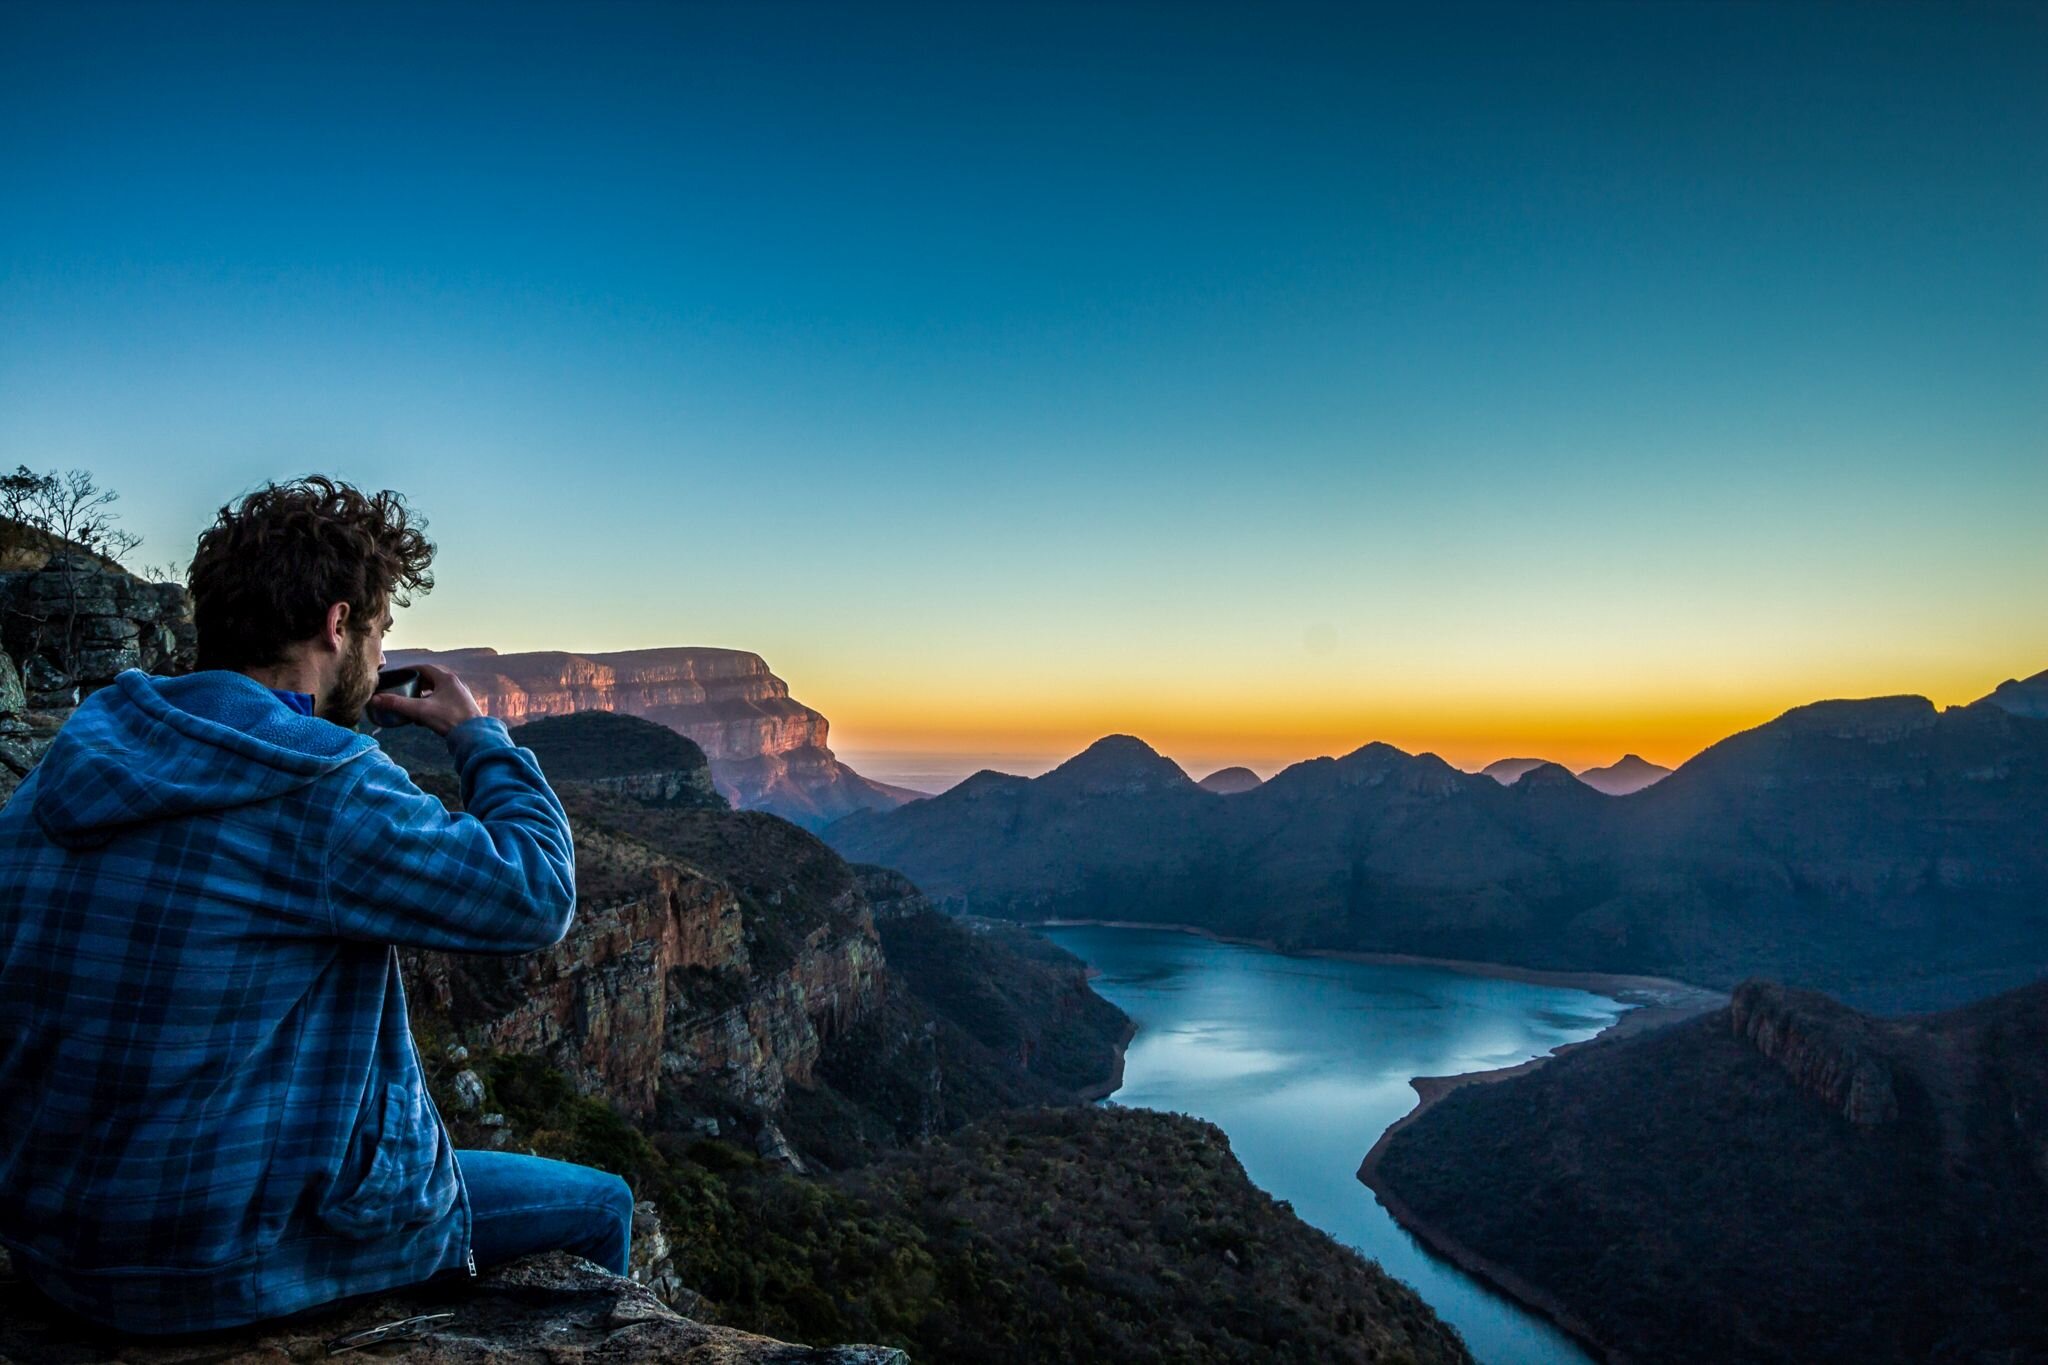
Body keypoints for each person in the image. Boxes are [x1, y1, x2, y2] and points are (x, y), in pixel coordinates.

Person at [0, 476, 633, 1335]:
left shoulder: (74, 754)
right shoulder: (322, 783)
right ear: (340, 625)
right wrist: (480, 735)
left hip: (53, 1238)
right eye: (379, 635)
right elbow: (538, 890)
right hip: (214, 1259)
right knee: (603, 1204)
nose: (377, 659)